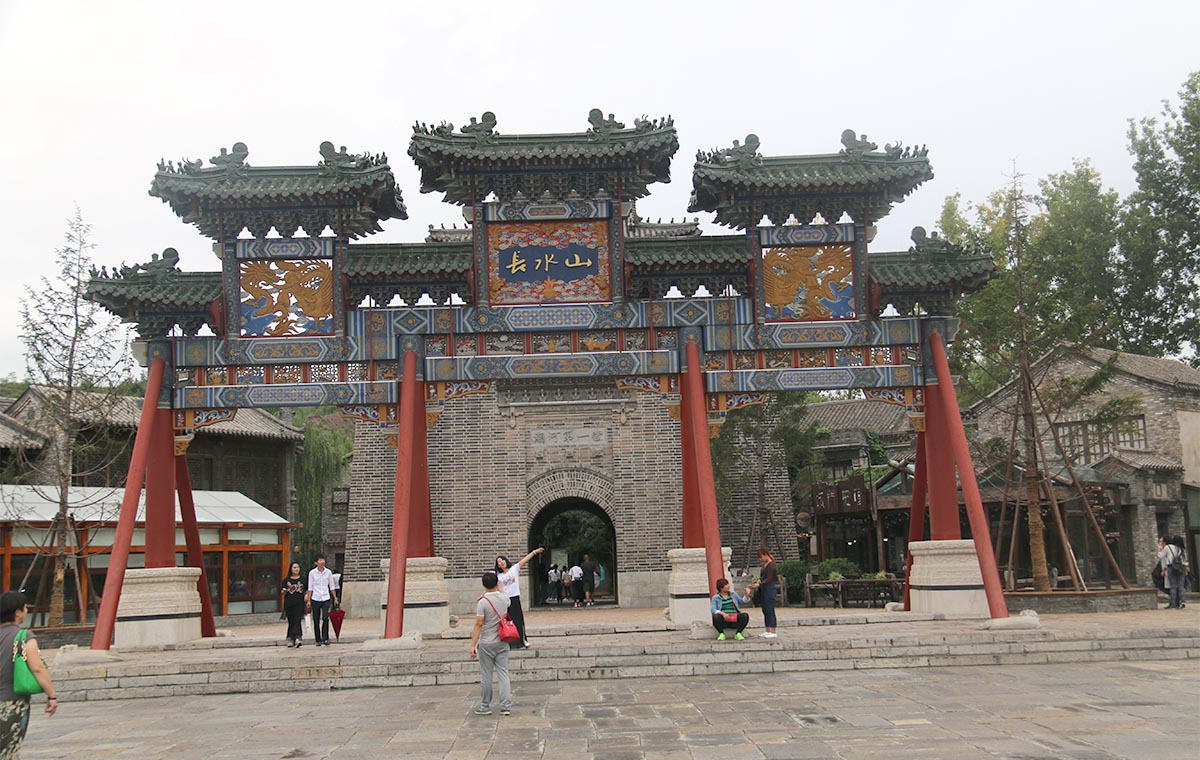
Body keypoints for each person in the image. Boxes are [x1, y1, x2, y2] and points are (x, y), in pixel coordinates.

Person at [0, 591, 57, 757]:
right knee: (8, 752)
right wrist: (51, 695)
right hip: (11, 703)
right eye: (25, 608)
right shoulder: (24, 636)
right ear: (17, 613)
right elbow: (37, 667)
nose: (26, 611)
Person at [469, 571, 511, 716]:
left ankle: (485, 705)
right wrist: (499, 586)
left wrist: (473, 645)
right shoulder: (504, 599)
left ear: (483, 585)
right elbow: (504, 594)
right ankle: (505, 706)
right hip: (502, 640)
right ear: (497, 583)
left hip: (486, 642)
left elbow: (479, 624)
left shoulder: (483, 602)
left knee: (486, 675)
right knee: (503, 673)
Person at [495, 547, 544, 648]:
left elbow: (525, 560)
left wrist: (534, 552)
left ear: (506, 561)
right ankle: (509, 641)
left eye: (502, 560)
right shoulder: (498, 576)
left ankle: (523, 640)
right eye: (499, 562)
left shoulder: (514, 569)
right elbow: (495, 587)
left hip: (515, 598)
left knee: (518, 620)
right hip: (505, 600)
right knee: (507, 621)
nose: (501, 562)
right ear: (498, 565)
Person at [305, 554, 339, 646]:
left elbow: (331, 586)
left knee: (325, 618)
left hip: (325, 597)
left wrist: (335, 598)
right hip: (315, 598)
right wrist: (309, 600)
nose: (322, 562)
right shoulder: (312, 573)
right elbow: (310, 587)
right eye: (320, 560)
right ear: (316, 562)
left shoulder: (328, 572)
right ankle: (318, 639)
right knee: (316, 619)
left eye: (323, 560)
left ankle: (325, 638)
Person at [750, 547, 779, 638]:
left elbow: (770, 578)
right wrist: (759, 580)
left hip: (769, 589)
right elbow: (763, 577)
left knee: (770, 610)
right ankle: (767, 629)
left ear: (765, 554)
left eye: (761, 557)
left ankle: (773, 631)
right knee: (765, 610)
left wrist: (760, 584)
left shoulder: (772, 565)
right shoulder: (765, 565)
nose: (761, 559)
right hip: (763, 589)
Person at [280, 562, 307, 648]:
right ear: (291, 569)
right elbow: (282, 591)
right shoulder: (286, 580)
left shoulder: (303, 579)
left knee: (297, 620)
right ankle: (290, 638)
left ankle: (298, 637)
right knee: (291, 621)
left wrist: (307, 596)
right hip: (289, 603)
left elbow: (307, 590)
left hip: (300, 603)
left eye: (297, 567)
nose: (296, 569)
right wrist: (284, 591)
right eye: (294, 567)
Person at [1158, 535, 1189, 609]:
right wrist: (1186, 570)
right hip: (1181, 568)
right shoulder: (1181, 549)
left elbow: (1160, 556)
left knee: (1173, 586)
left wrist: (1159, 549)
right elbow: (1185, 561)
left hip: (1171, 567)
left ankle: (1173, 603)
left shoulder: (1168, 547)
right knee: (1181, 586)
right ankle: (1182, 601)